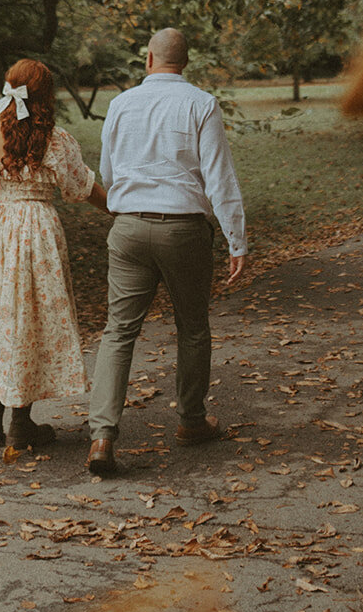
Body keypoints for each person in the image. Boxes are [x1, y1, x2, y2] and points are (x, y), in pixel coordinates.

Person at [87, 27, 246, 476]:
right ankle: (191, 422)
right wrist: (237, 240)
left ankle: (101, 435)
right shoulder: (201, 103)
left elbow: (108, 170)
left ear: (149, 60)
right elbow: (219, 177)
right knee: (192, 327)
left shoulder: (120, 104)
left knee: (118, 331)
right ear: (185, 63)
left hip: (129, 228)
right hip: (183, 231)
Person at [0, 58, 108, 451]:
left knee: (0, 316)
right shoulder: (56, 139)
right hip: (36, 232)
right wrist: (120, 209)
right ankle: (19, 423)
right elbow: (79, 188)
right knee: (29, 320)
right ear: (46, 97)